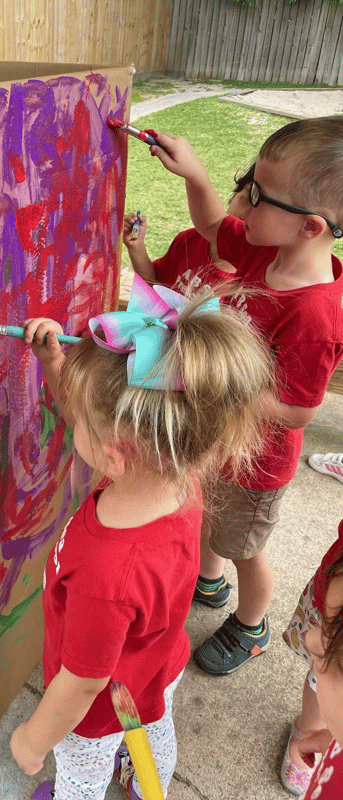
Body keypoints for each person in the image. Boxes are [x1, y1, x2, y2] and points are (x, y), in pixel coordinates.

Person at [10, 276, 274, 800]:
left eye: (81, 423)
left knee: (81, 772)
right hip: (157, 666)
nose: (74, 427)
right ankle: (150, 787)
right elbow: (109, 427)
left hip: (100, 705)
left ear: (114, 453)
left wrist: (31, 740)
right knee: (153, 732)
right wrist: (53, 365)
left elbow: (82, 683)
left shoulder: (106, 570)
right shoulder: (179, 479)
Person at [147, 117, 343, 676]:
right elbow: (212, 222)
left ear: (309, 227)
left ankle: (250, 624)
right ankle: (209, 586)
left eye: (257, 195)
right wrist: (194, 173)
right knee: (209, 514)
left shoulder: (313, 315)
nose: (244, 206)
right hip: (223, 436)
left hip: (257, 464)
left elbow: (301, 408)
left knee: (242, 544)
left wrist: (219, 376)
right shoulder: (265, 251)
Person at [281, 522, 343, 795]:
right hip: (330, 603)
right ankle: (310, 726)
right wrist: (330, 739)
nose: (312, 639)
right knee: (319, 679)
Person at [123, 163, 255, 290]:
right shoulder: (189, 239)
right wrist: (137, 246)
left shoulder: (253, 282)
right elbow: (155, 285)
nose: (252, 213)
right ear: (232, 197)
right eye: (250, 197)